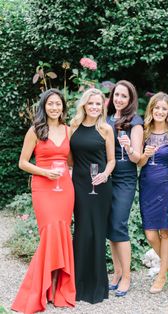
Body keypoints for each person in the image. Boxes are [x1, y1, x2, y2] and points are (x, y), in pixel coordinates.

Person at [12, 89, 76, 313]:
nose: (54, 108)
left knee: (62, 233)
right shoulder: (35, 131)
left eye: (58, 104)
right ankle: (39, 289)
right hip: (43, 187)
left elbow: (71, 162)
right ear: (44, 106)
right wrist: (43, 172)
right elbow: (22, 162)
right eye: (50, 104)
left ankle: (58, 288)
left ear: (63, 107)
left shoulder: (69, 131)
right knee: (49, 233)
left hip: (65, 189)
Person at [70, 88, 115, 304]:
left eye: (99, 104)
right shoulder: (73, 127)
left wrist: (105, 175)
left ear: (102, 107)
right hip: (78, 184)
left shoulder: (106, 129)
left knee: (97, 233)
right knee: (81, 231)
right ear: (84, 105)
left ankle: (97, 287)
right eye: (91, 104)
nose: (95, 107)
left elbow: (112, 160)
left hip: (100, 186)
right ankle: (77, 286)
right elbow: (69, 159)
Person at [138, 92, 168, 293]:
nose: (160, 112)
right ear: (151, 110)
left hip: (166, 185)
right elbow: (138, 163)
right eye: (157, 108)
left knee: (165, 232)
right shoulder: (144, 132)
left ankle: (162, 276)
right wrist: (144, 156)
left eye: (164, 108)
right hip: (147, 184)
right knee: (150, 234)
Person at [107, 80, 143, 296]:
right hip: (106, 177)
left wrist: (129, 148)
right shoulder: (107, 119)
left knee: (119, 223)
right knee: (110, 226)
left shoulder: (135, 123)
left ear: (130, 100)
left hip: (125, 179)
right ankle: (117, 272)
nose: (119, 99)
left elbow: (138, 159)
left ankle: (127, 277)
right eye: (116, 95)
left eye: (124, 96)